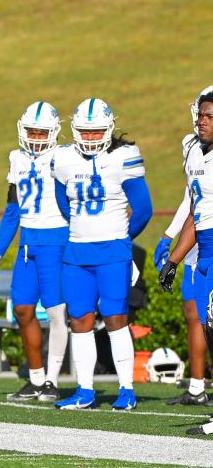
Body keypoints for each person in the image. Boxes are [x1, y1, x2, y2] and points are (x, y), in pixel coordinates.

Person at [53, 98, 152, 411]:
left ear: (108, 129)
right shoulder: (63, 157)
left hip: (113, 251)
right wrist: (84, 230)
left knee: (115, 318)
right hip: (77, 252)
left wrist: (120, 238)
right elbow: (62, 204)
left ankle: (126, 389)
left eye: (96, 131)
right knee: (79, 319)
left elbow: (144, 209)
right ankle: (85, 390)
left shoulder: (125, 156)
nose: (91, 137)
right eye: (85, 131)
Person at [0, 103, 70, 402]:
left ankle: (52, 380)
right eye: (31, 131)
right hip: (26, 246)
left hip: (56, 241)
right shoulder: (16, 158)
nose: (35, 137)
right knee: (22, 309)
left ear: (54, 132)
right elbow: (12, 210)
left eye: (41, 132)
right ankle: (35, 378)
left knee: (58, 313)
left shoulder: (64, 156)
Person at [159, 88, 213, 407]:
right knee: (206, 325)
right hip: (204, 249)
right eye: (201, 115)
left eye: (209, 117)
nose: (201, 121)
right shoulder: (192, 149)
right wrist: (174, 259)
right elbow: (196, 209)